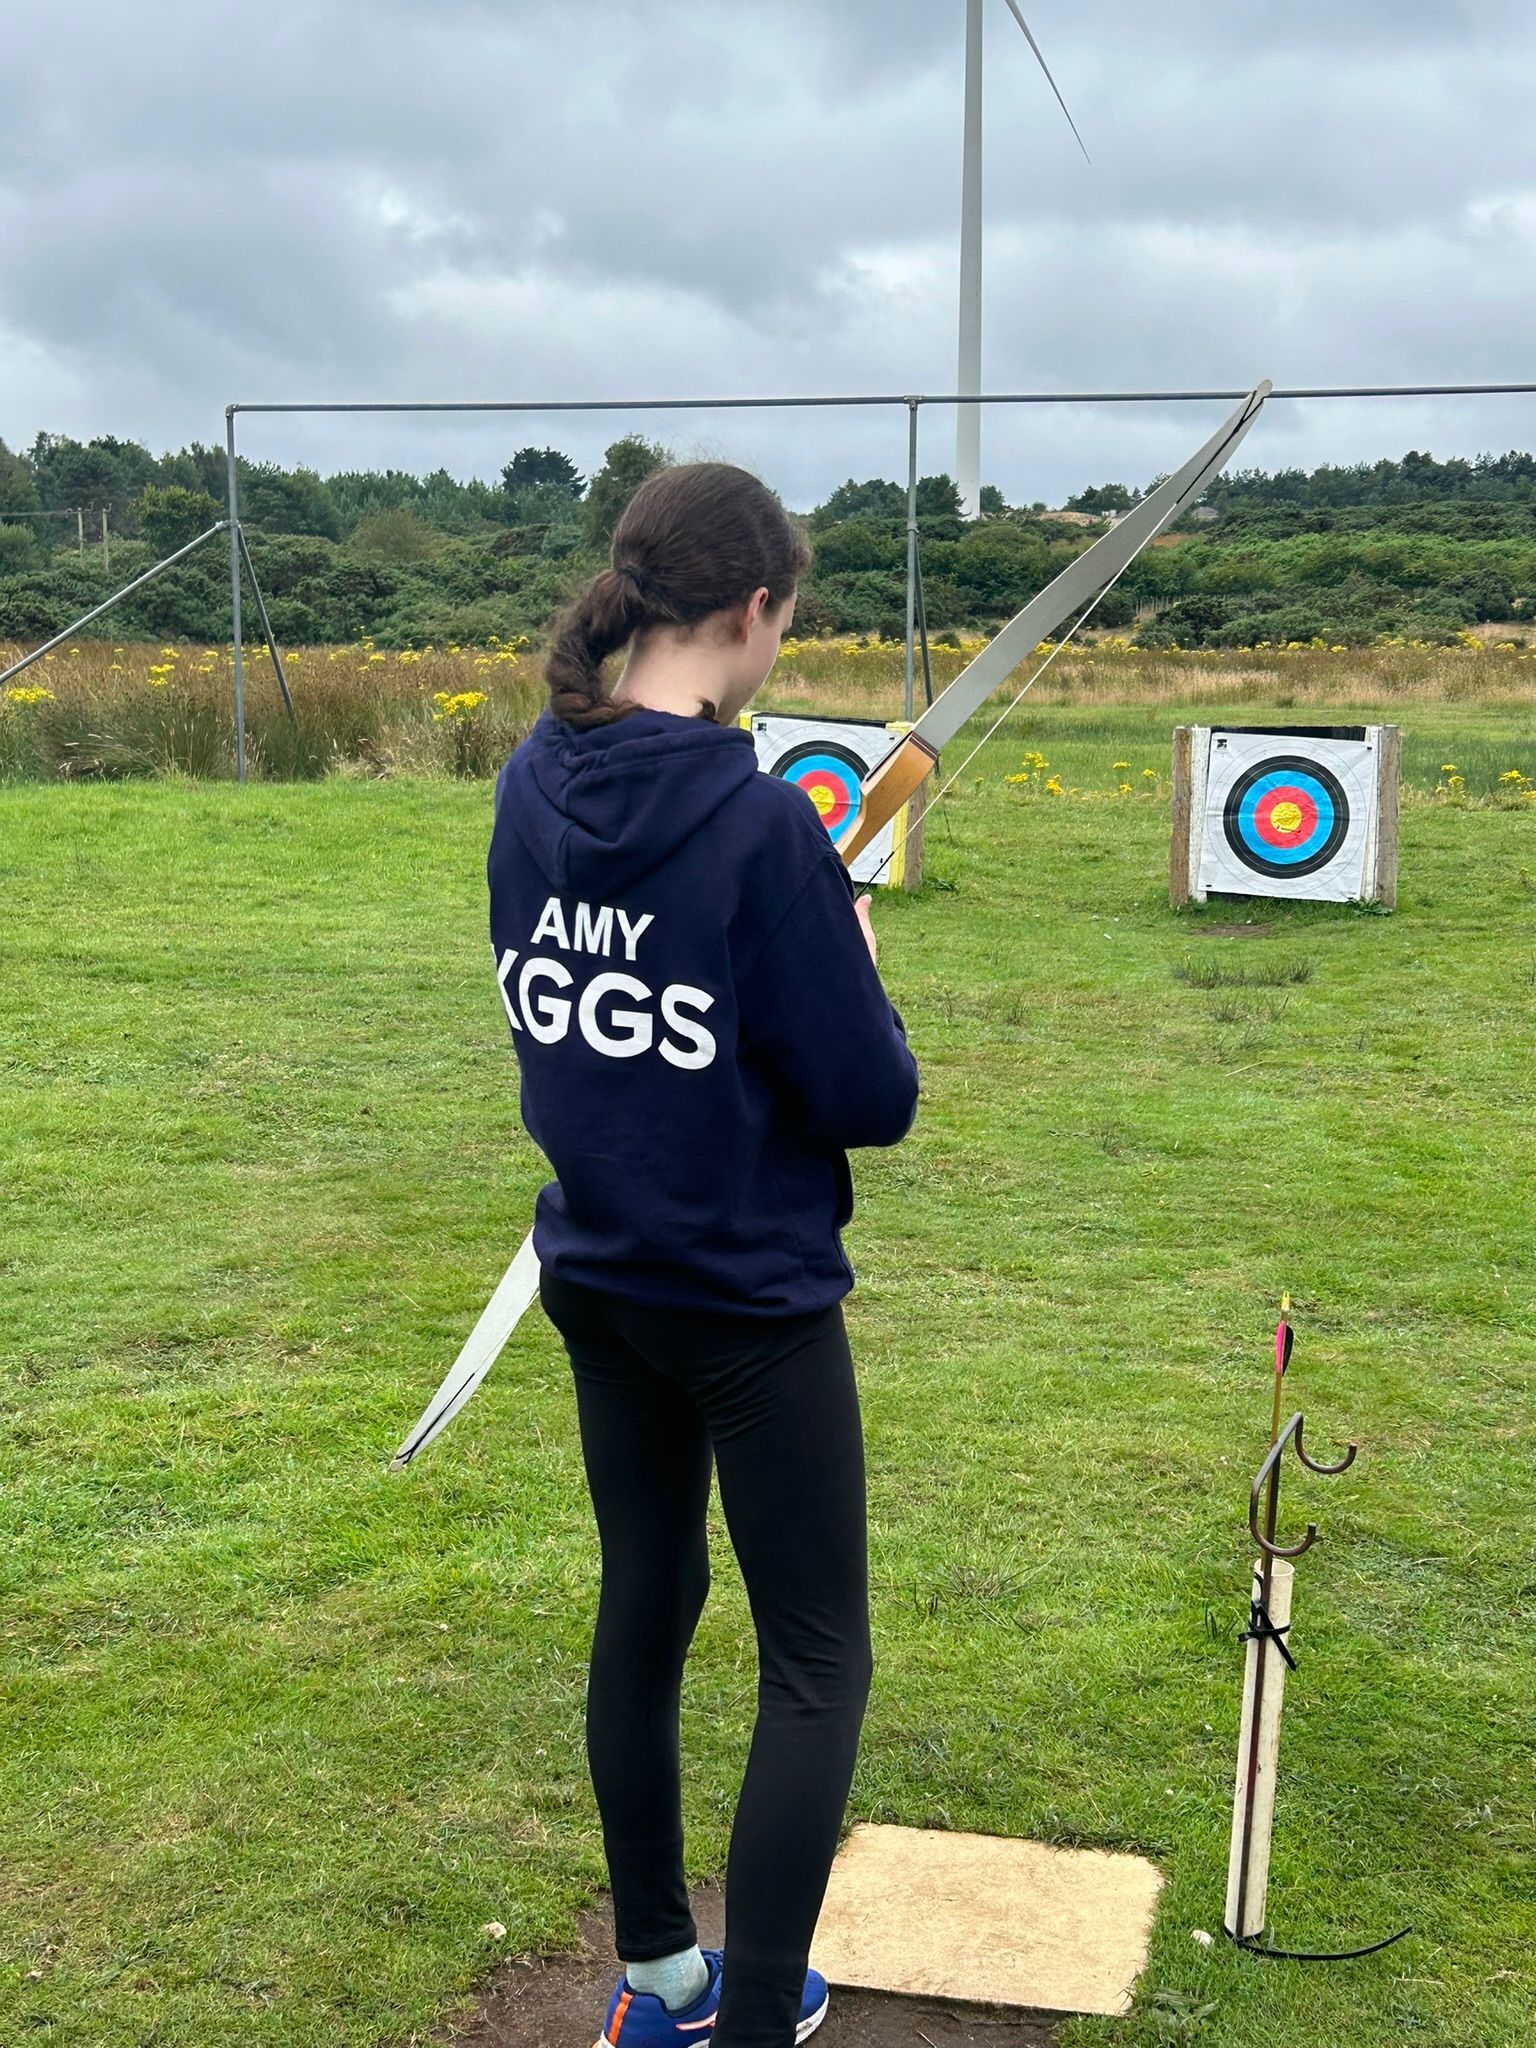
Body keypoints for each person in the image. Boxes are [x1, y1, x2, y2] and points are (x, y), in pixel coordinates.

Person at [486, 462, 920, 2048]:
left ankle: (663, 1977)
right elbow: (870, 1098)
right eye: (783, 619)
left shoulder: (537, 776)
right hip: (744, 1305)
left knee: (647, 1599)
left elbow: (601, 1012)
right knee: (815, 1662)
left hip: (602, 1286)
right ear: (749, 611)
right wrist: (851, 953)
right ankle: (740, 2024)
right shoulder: (756, 825)